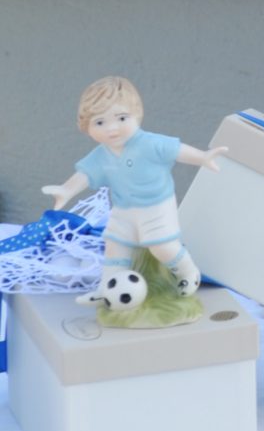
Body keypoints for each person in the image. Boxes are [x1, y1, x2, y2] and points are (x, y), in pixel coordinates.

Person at [41, 76, 230, 296]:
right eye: (100, 122)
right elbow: (85, 174)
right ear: (85, 127)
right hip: (123, 209)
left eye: (121, 118)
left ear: (137, 114)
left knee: (161, 246)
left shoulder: (149, 143)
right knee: (115, 248)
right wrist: (66, 190)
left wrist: (203, 157)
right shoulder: (101, 154)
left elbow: (177, 150)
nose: (112, 129)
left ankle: (188, 272)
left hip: (156, 206)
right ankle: (108, 288)